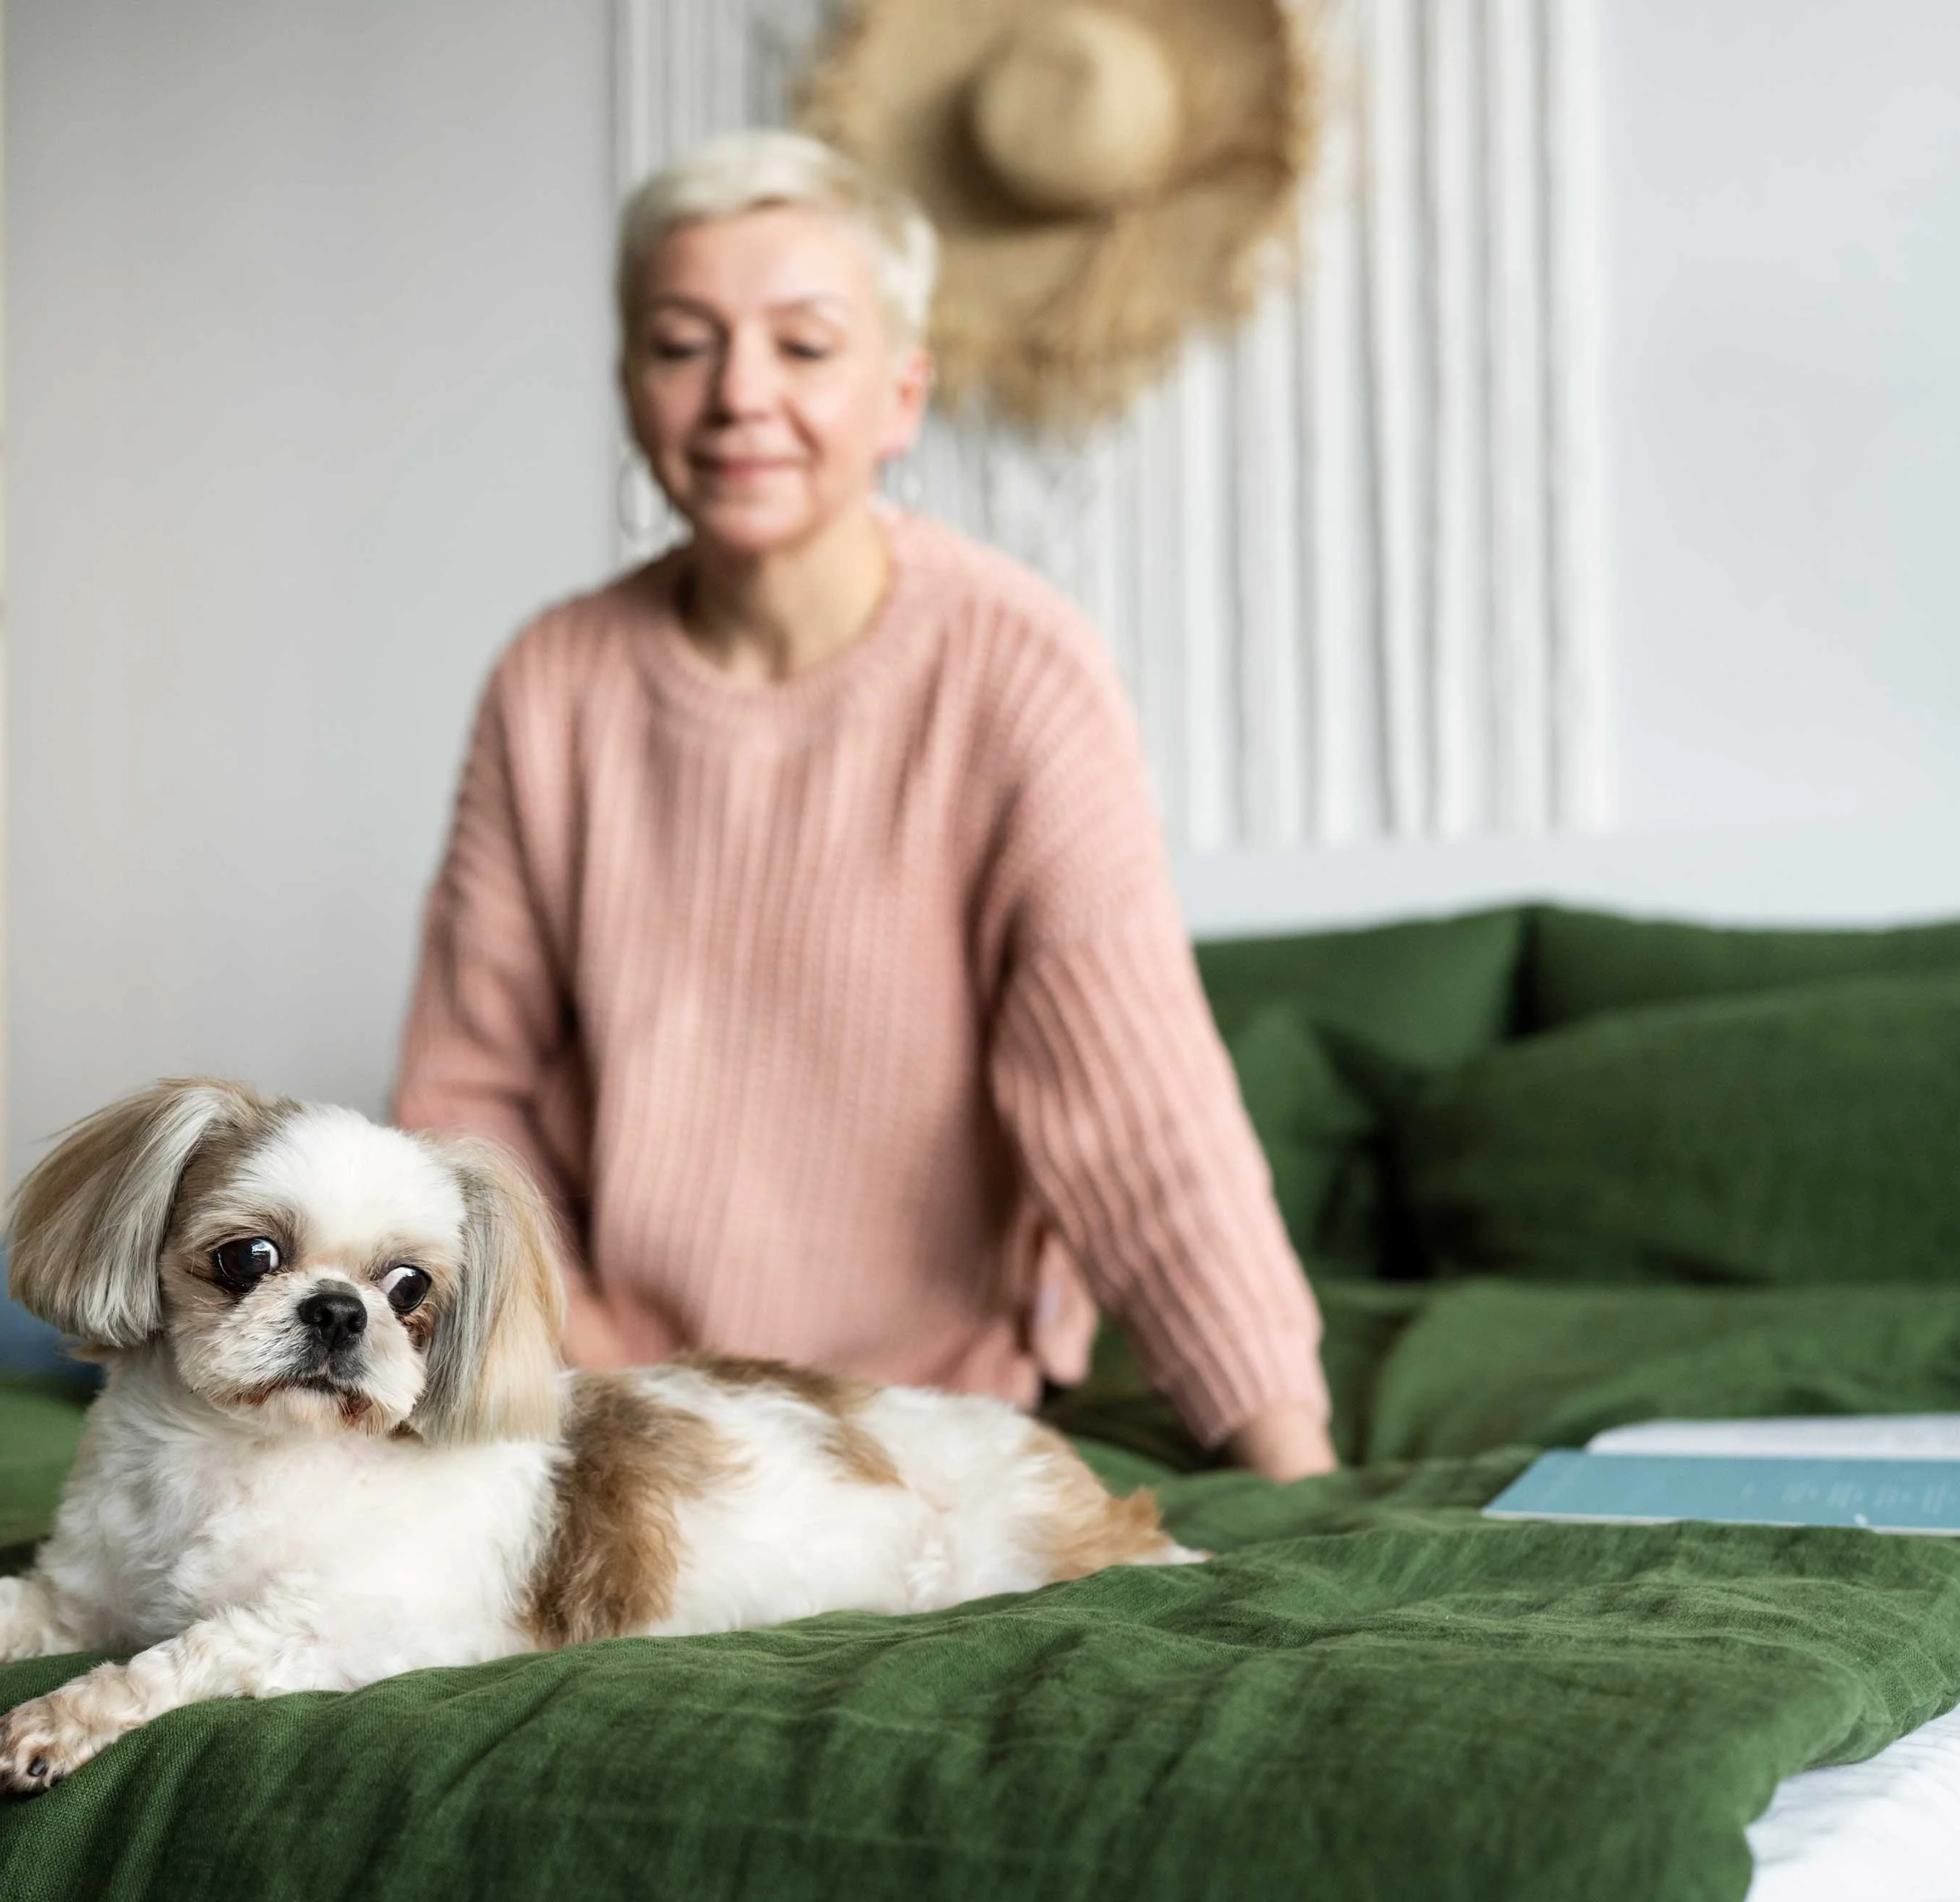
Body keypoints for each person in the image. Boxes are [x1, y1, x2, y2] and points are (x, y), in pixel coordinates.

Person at [392, 131, 1336, 1482]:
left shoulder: (1020, 668)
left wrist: (1295, 1463)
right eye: (683, 343)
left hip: (927, 1415)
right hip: (614, 1401)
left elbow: (1140, 1110)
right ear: (628, 389)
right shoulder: (552, 682)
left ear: (901, 396)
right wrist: (565, 1354)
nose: (739, 396)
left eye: (805, 344)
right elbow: (465, 1090)